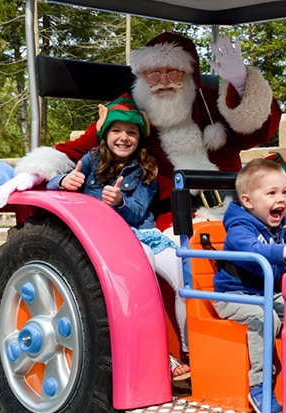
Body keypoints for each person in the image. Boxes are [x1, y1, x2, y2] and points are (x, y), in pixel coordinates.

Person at [0, 30, 281, 357]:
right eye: (153, 73)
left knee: (276, 252)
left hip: (236, 209)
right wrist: (36, 172)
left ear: (189, 73)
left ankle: (275, 331)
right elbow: (83, 147)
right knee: (189, 270)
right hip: (176, 219)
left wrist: (242, 83)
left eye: (173, 72)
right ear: (142, 75)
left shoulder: (211, 100)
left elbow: (258, 128)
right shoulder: (133, 109)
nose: (163, 81)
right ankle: (196, 353)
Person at [46, 95, 190, 385]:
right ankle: (161, 355)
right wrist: (62, 182)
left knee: (184, 274)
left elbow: (139, 212)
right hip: (108, 240)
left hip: (142, 234)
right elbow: (56, 181)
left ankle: (190, 348)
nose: (123, 137)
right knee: (143, 279)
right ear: (105, 135)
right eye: (117, 131)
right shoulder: (90, 161)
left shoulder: (146, 169)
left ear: (140, 138)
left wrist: (122, 201)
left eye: (131, 132)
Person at [213, 158, 286, 413]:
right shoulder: (238, 226)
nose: (282, 199)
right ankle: (260, 385)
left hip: (269, 293)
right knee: (264, 317)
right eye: (271, 193)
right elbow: (256, 251)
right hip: (233, 296)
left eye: (283, 192)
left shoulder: (282, 224)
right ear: (247, 201)